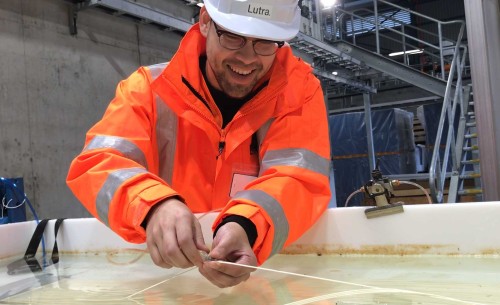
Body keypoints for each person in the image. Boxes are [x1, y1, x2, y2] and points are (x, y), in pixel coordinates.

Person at [66, 0, 331, 288]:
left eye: (265, 42)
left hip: (256, 273)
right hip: (164, 277)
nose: (247, 58)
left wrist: (247, 225)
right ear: (205, 21)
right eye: (233, 37)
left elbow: (299, 180)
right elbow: (98, 163)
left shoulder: (298, 93)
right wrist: (154, 205)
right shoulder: (148, 90)